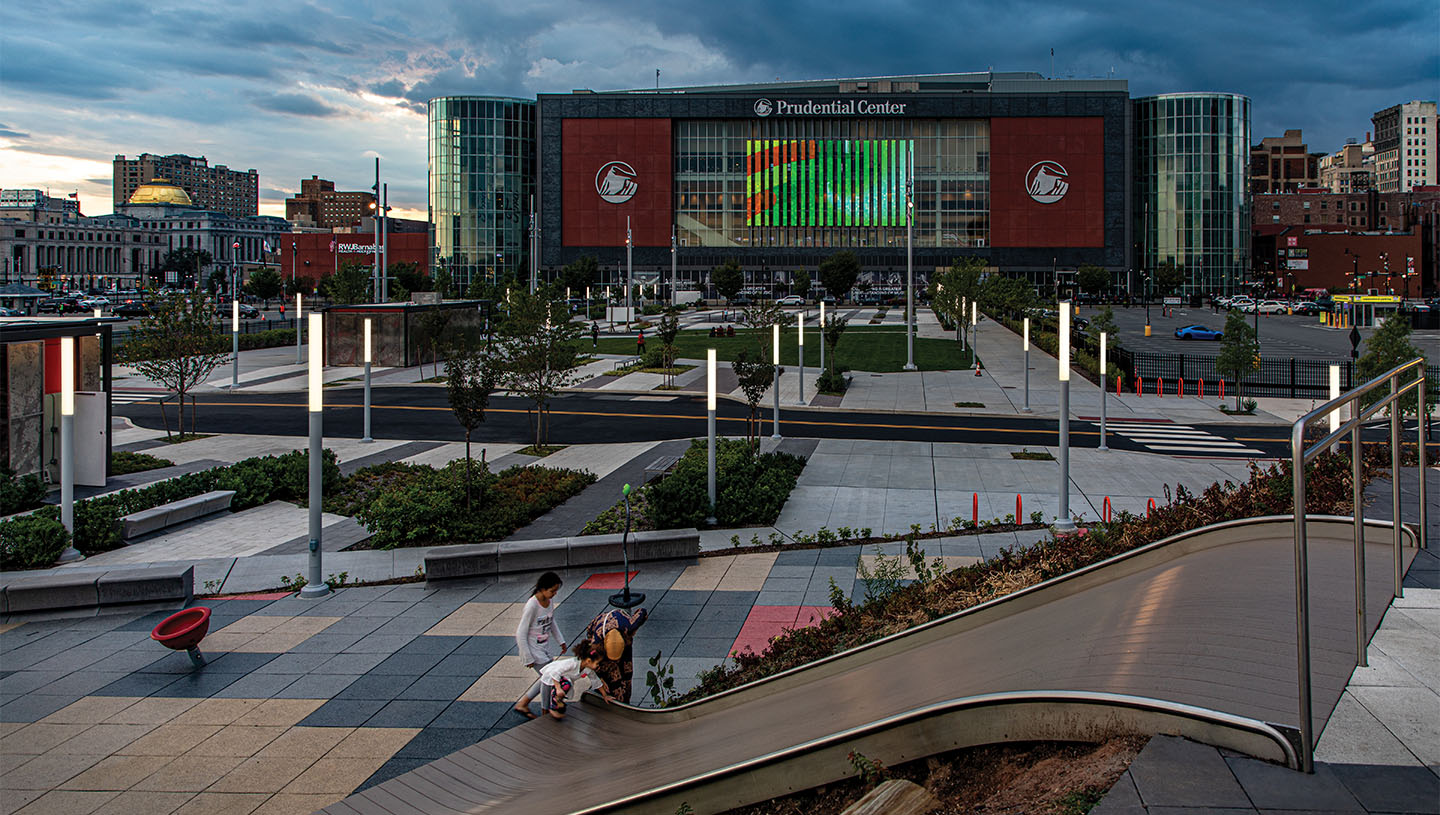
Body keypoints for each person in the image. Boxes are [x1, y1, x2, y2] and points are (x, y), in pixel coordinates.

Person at [513, 572, 567, 719]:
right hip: (533, 650)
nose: (554, 594)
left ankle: (523, 704)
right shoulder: (532, 605)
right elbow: (520, 633)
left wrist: (561, 640)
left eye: (556, 591)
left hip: (544, 648)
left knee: (547, 677)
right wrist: (527, 656)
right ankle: (545, 711)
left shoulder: (549, 603)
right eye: (552, 591)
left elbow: (552, 622)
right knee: (549, 678)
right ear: (542, 588)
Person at [582, 607, 649, 704]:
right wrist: (599, 679)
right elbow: (590, 664)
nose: (615, 662)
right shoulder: (596, 642)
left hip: (623, 637)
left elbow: (642, 612)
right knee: (608, 678)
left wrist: (635, 629)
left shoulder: (629, 626)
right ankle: (605, 696)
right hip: (602, 646)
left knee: (626, 673)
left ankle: (625, 701)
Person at [537, 639, 603, 720]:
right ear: (588, 661)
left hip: (561, 679)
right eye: (597, 663)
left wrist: (605, 695)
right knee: (545, 702)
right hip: (550, 676)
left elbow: (595, 680)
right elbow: (555, 672)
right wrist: (558, 688)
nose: (598, 666)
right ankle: (550, 712)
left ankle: (555, 706)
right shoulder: (572, 663)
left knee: (565, 686)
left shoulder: (588, 669)